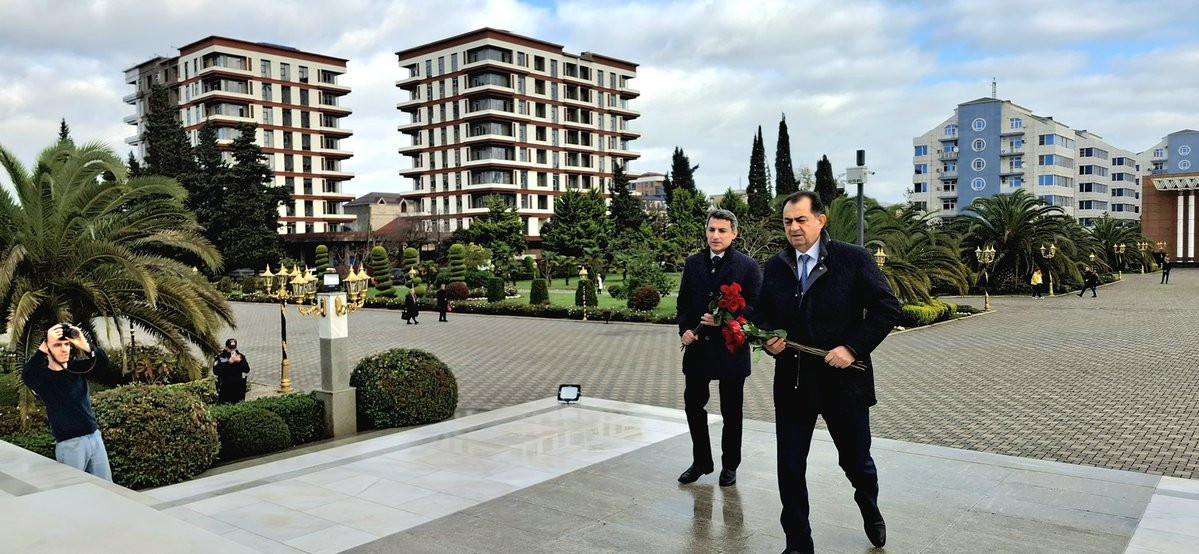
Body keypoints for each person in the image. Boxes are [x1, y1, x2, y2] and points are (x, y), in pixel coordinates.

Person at [757, 191, 900, 553]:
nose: (793, 228)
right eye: (788, 221)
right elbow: (762, 314)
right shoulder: (775, 266)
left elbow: (887, 308)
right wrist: (768, 337)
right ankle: (797, 542)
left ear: (821, 220)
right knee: (790, 467)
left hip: (844, 384)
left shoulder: (854, 259)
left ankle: (868, 503)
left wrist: (852, 348)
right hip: (793, 382)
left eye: (801, 220)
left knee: (857, 462)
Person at [677, 209, 762, 488]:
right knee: (693, 406)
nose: (716, 235)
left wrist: (726, 318)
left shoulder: (747, 266)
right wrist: (685, 330)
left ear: (734, 234)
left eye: (722, 231)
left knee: (732, 412)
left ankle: (730, 465)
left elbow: (757, 307)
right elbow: (684, 303)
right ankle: (701, 461)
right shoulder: (693, 263)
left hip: (730, 350)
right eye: (711, 229)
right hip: (698, 350)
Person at [22, 323, 113, 481]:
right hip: (70, 444)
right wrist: (44, 346)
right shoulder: (43, 378)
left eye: (66, 344)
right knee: (72, 489)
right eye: (57, 345)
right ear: (47, 349)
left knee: (106, 488)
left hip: (94, 437)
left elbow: (103, 363)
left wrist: (84, 344)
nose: (64, 349)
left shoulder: (76, 368)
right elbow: (27, 374)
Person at [213, 338, 250, 404]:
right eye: (230, 349)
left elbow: (247, 370)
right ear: (226, 348)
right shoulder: (220, 357)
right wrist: (229, 363)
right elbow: (216, 371)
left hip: (238, 387)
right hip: (225, 387)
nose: (232, 351)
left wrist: (240, 362)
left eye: (233, 349)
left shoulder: (240, 356)